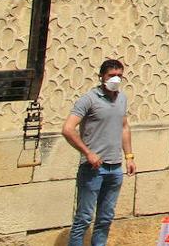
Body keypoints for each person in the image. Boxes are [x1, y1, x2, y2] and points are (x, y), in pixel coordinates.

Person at [62, 58, 136, 246]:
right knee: (84, 218)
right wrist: (88, 153)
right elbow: (68, 129)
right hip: (93, 169)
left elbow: (124, 127)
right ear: (102, 76)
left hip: (115, 167)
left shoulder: (122, 98)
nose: (116, 79)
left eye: (119, 75)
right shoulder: (89, 99)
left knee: (105, 218)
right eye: (111, 75)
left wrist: (129, 157)